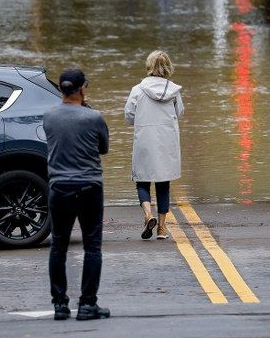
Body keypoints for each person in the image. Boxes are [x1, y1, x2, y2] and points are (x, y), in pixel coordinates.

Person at [43, 68, 111, 322]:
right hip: (89, 187)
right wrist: (88, 108)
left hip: (59, 187)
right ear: (82, 89)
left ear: (62, 89)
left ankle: (60, 305)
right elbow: (103, 148)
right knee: (92, 246)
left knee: (58, 246)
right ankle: (87, 305)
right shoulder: (93, 117)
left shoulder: (48, 117)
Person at [125, 50, 184, 241]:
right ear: (168, 66)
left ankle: (148, 215)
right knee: (163, 183)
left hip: (144, 138)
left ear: (149, 66)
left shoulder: (138, 90)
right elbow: (180, 112)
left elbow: (129, 117)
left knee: (142, 180)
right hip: (166, 140)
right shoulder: (174, 91)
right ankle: (161, 228)